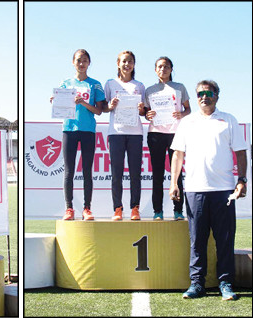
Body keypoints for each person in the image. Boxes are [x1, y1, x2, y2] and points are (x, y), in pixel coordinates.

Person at [171, 80, 247, 301]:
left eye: (209, 93)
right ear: (196, 97)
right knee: (197, 240)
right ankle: (197, 284)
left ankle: (226, 283)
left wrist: (242, 180)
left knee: (224, 240)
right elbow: (178, 154)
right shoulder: (187, 122)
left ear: (217, 96)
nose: (204, 97)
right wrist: (174, 182)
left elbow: (241, 153)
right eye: (200, 93)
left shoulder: (228, 120)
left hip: (224, 190)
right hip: (195, 189)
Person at [53, 49, 106, 221]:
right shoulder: (65, 83)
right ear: (73, 62)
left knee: (87, 171)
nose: (81, 63)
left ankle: (87, 208)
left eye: (84, 60)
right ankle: (69, 208)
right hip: (69, 129)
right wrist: (54, 100)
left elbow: (99, 111)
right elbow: (58, 103)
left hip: (88, 130)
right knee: (69, 171)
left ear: (89, 63)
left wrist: (82, 102)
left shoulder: (95, 84)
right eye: (78, 60)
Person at [143, 56, 190, 220]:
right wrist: (148, 114)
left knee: (176, 173)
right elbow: (146, 112)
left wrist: (181, 114)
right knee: (157, 173)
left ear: (171, 69)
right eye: (160, 67)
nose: (163, 69)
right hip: (155, 134)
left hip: (175, 133)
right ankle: (158, 211)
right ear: (155, 70)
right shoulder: (149, 90)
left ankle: (178, 211)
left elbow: (188, 109)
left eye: (166, 67)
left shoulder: (179, 87)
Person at [101, 50, 146, 221]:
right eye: (124, 61)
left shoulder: (139, 85)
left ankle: (135, 208)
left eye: (130, 62)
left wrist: (142, 109)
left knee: (135, 173)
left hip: (135, 133)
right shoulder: (110, 83)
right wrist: (110, 106)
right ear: (118, 64)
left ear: (134, 65)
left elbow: (143, 112)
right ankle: (117, 208)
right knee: (116, 173)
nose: (127, 65)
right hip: (116, 133)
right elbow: (103, 107)